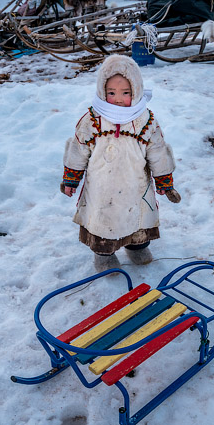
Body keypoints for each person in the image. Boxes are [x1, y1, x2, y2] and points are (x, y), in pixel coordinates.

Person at [61, 54, 180, 270]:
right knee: (102, 221)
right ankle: (103, 255)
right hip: (101, 189)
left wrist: (164, 181)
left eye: (126, 93)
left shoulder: (145, 121)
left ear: (136, 91)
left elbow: (158, 152)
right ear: (102, 91)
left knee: (138, 217)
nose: (118, 99)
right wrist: (71, 179)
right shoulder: (92, 120)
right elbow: (78, 151)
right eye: (112, 93)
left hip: (136, 187)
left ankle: (138, 247)